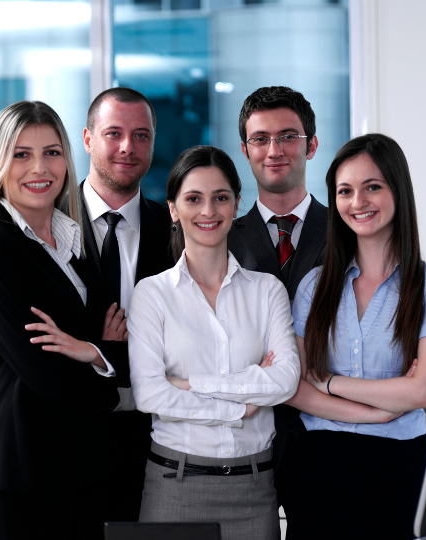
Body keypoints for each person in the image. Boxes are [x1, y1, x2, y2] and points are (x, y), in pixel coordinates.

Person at [0, 101, 130, 540]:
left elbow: (120, 344)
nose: (40, 167)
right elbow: (42, 369)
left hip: (90, 464)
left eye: (52, 152)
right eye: (21, 154)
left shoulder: (74, 242)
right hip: (28, 471)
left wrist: (92, 352)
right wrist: (105, 370)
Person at [287, 133, 426, 540]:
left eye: (373, 187)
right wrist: (380, 408)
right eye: (345, 191)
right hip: (321, 468)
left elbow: (421, 392)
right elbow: (293, 388)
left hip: (400, 469)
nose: (357, 202)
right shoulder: (314, 286)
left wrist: (330, 382)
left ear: (397, 190)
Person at [126, 145, 301, 540]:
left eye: (220, 198)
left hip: (255, 489)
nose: (208, 211)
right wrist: (244, 404)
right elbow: (151, 396)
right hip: (176, 485)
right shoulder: (151, 295)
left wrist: (193, 385)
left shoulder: (267, 291)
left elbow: (286, 381)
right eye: (193, 199)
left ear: (237, 205)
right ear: (173, 208)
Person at [227, 85, 327, 519]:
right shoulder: (220, 237)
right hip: (246, 441)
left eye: (288, 136)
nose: (275, 150)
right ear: (245, 150)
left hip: (328, 434)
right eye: (261, 139)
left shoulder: (351, 232)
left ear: (312, 145)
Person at [78, 86, 174, 521]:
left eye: (141, 136)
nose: (127, 147)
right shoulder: (44, 229)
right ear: (87, 139)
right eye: (114, 132)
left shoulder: (178, 233)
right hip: (65, 448)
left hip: (156, 448)